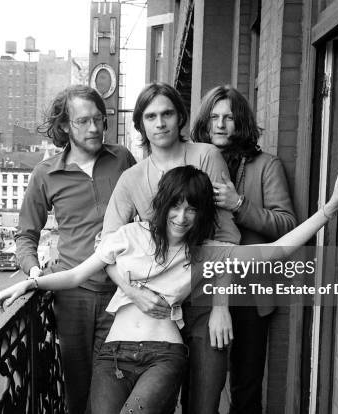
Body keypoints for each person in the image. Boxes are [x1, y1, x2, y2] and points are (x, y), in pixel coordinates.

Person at [0, 165, 338, 414]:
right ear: (164, 204)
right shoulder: (128, 236)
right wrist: (30, 283)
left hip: (163, 356)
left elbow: (276, 250)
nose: (182, 216)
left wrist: (327, 211)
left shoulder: (205, 252)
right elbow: (74, 276)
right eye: (176, 205)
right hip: (112, 354)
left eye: (192, 208)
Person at [102, 82, 240, 413]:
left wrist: (222, 306)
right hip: (157, 312)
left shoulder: (207, 156)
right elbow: (106, 248)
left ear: (180, 117)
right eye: (151, 116)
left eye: (167, 114)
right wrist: (133, 292)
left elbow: (227, 237)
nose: (160, 123)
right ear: (140, 124)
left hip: (205, 301)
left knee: (204, 403)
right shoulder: (133, 179)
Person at [16, 85, 136, 414]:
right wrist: (35, 271)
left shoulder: (122, 159)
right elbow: (25, 234)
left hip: (122, 294)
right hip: (73, 298)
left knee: (115, 392)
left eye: (99, 119)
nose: (95, 128)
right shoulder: (45, 174)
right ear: (66, 126)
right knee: (78, 393)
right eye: (84, 121)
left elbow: (146, 213)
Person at [192, 85, 297, 413]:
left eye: (229, 118)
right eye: (214, 117)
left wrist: (240, 204)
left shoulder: (266, 165)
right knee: (199, 384)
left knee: (246, 386)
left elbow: (286, 225)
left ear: (242, 123)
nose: (221, 124)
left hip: (250, 294)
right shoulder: (195, 163)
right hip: (202, 288)